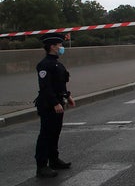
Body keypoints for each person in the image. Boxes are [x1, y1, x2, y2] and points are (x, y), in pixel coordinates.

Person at [34, 33, 76, 178]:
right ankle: (41, 166)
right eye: (59, 45)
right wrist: (55, 103)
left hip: (58, 102)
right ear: (52, 47)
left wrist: (68, 96)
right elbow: (45, 87)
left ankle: (54, 160)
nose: (61, 48)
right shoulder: (44, 64)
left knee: (55, 133)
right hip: (48, 104)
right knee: (46, 134)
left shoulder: (57, 63)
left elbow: (60, 83)